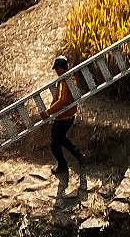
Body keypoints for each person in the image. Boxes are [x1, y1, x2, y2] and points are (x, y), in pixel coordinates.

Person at [47, 55, 85, 185]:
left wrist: (49, 112)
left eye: (57, 68)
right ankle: (78, 157)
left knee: (55, 143)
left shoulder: (65, 81)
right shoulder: (70, 79)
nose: (56, 71)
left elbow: (62, 100)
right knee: (60, 139)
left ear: (61, 68)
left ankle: (65, 165)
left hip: (64, 116)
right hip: (68, 115)